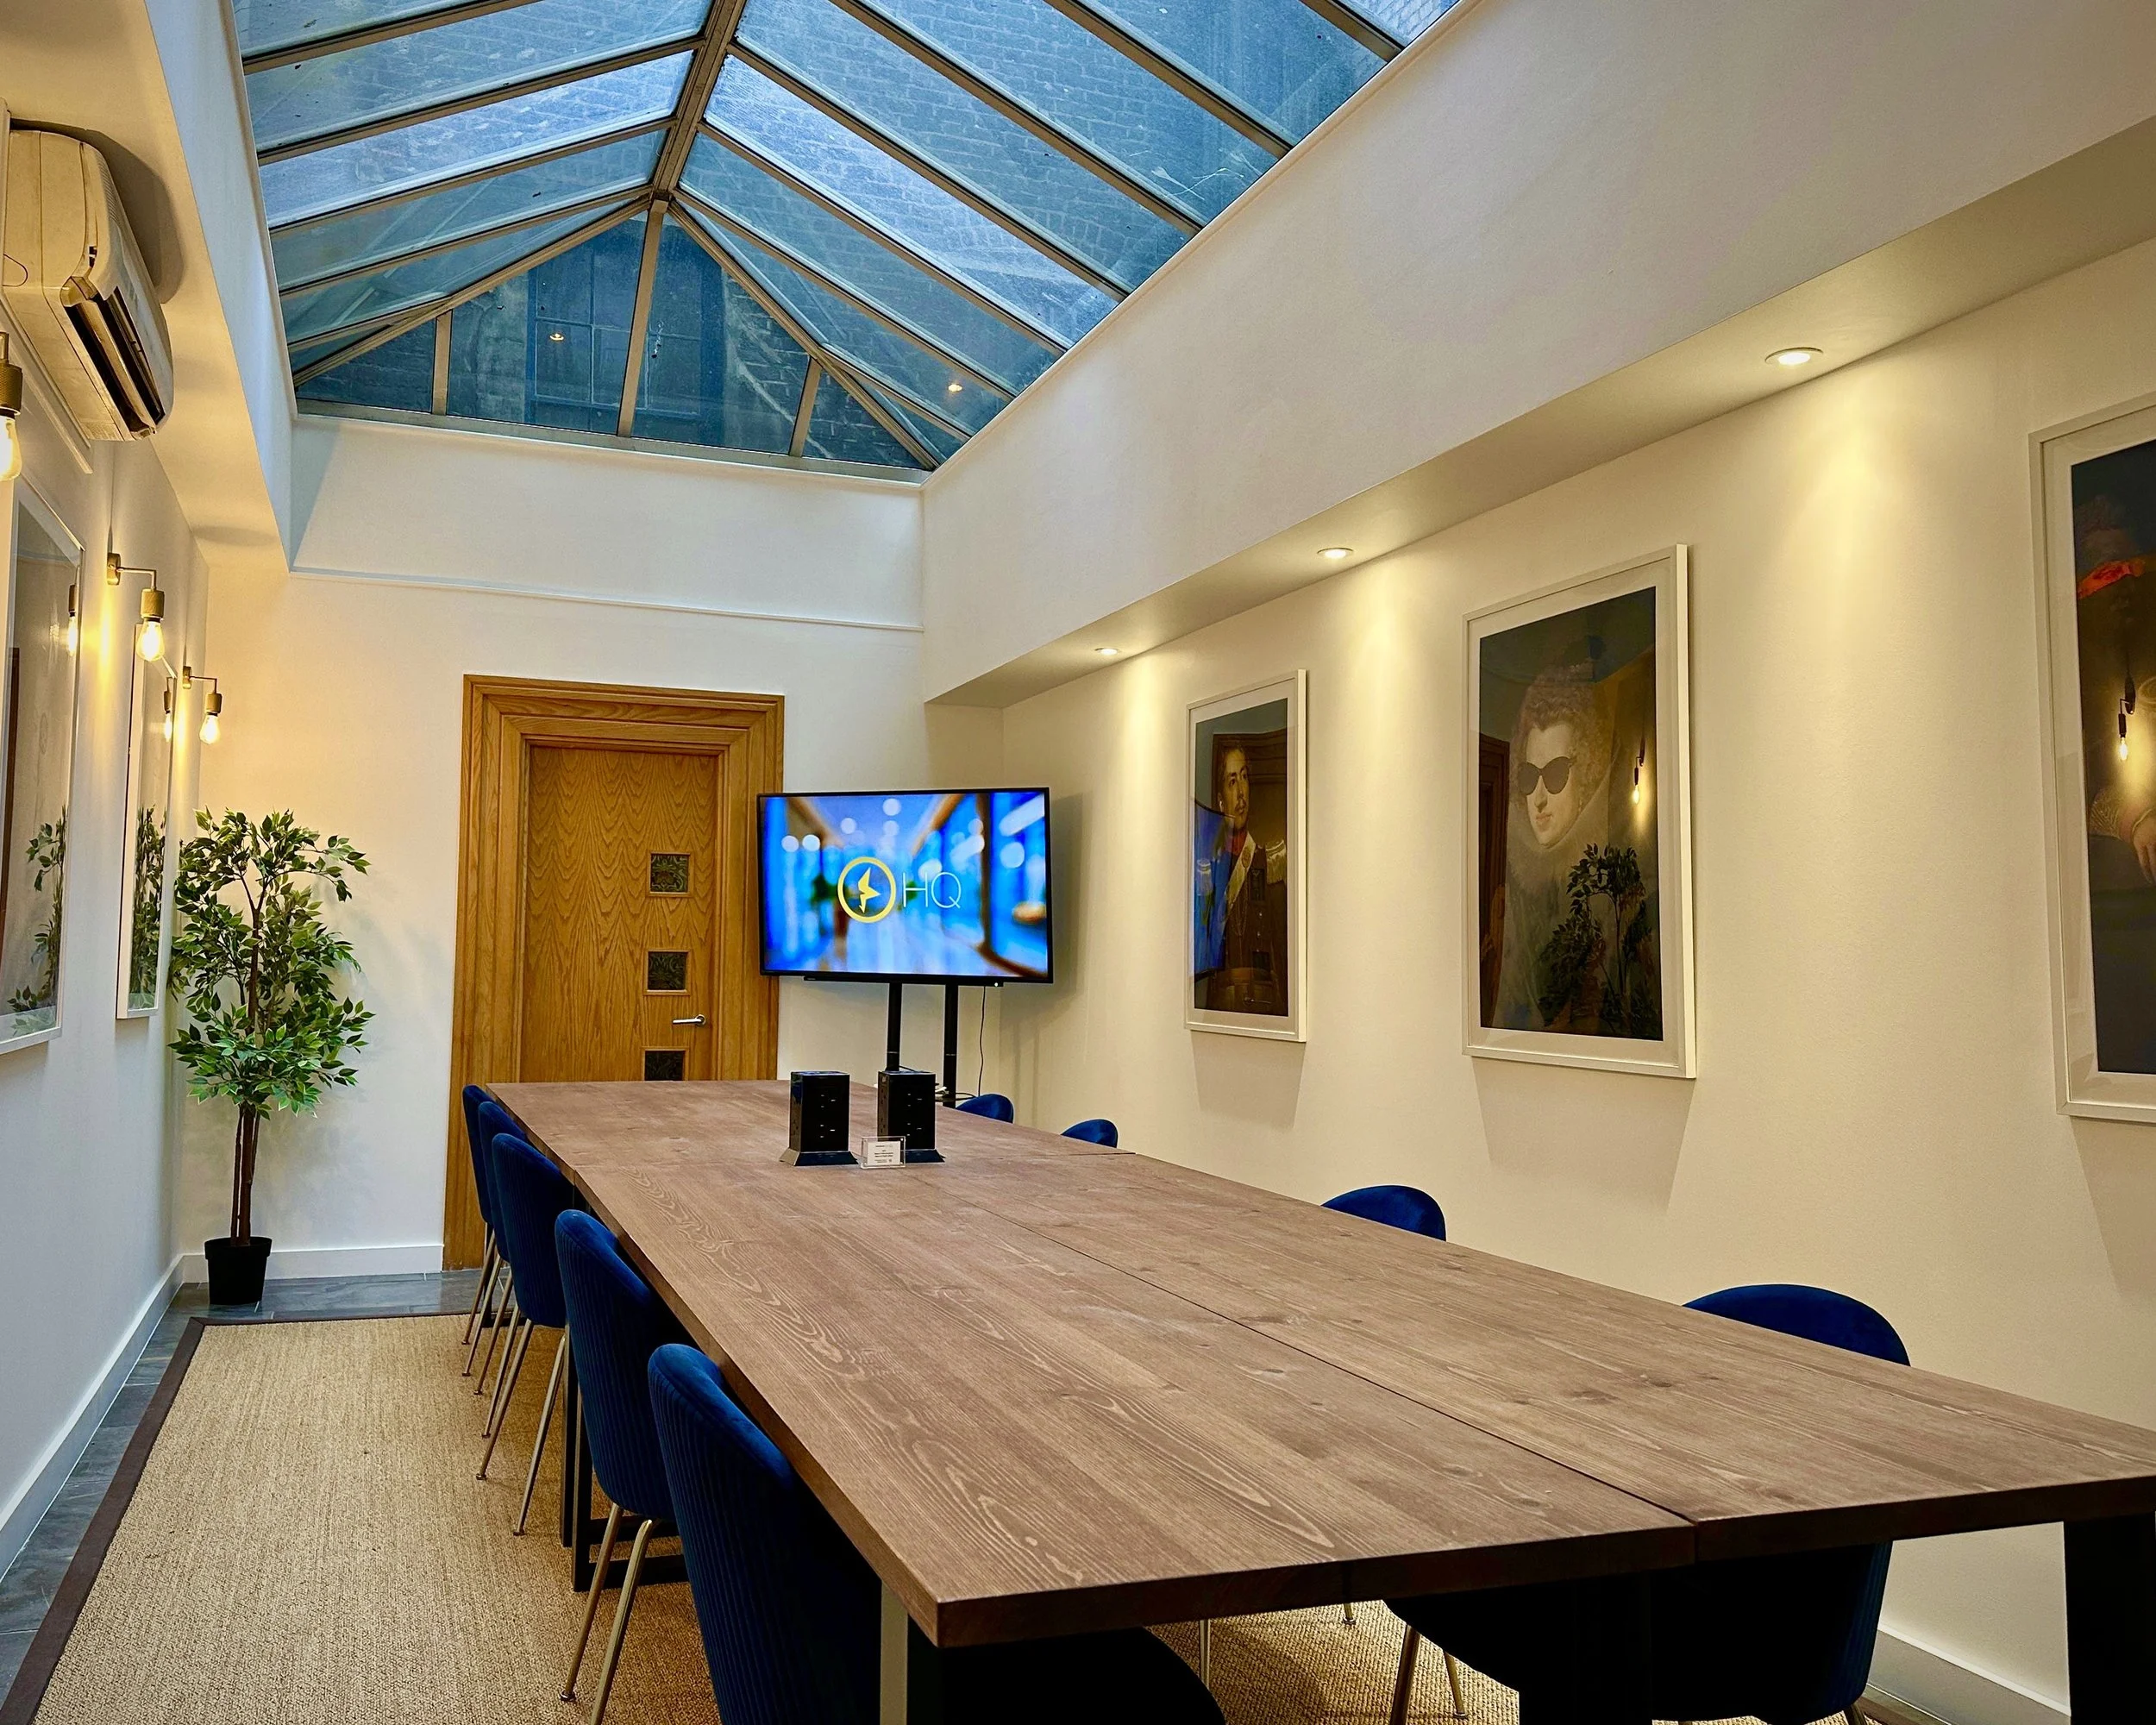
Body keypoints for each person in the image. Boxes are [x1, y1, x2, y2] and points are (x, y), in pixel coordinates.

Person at [1194, 743, 1284, 1013]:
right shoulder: (1207, 868)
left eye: (1244, 777)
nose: (1241, 793)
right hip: (1221, 1006)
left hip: (1264, 1006)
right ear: (1221, 800)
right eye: (1232, 782)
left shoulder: (1270, 860)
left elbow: (1281, 952)